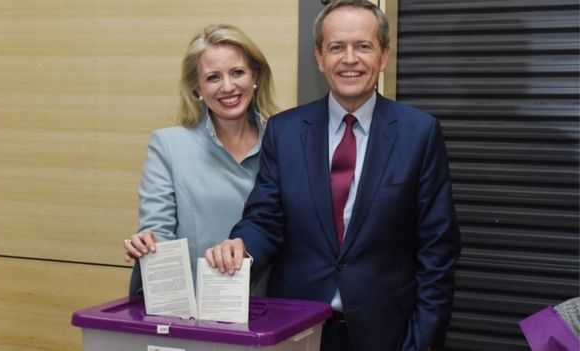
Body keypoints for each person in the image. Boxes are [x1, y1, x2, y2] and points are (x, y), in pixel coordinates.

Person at [205, 1, 461, 350]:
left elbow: (438, 250)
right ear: (320, 57)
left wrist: (419, 341)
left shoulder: (419, 133)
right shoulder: (285, 131)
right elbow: (265, 217)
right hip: (299, 330)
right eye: (337, 47)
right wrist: (242, 246)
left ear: (384, 56)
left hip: (388, 334)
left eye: (363, 46)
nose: (350, 59)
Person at [123, 23, 277, 296]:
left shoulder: (284, 142)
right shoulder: (168, 145)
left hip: (271, 311)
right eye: (213, 77)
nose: (228, 87)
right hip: (195, 312)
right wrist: (148, 243)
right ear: (197, 88)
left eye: (237, 72)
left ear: (255, 77)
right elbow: (157, 229)